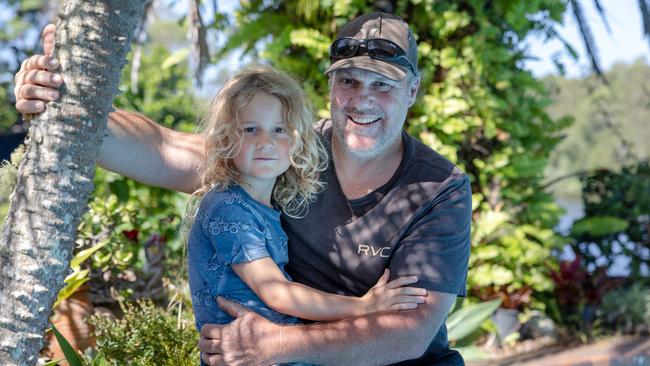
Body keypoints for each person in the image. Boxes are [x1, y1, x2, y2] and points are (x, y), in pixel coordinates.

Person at [15, 12, 472, 365]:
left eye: (384, 85)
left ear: (412, 90)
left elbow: (408, 332)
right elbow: (162, 145)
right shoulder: (284, 151)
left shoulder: (437, 189)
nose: (362, 99)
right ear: (332, 86)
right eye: (348, 80)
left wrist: (275, 344)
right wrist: (63, 105)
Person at [187, 66, 427, 363]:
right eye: (251, 129)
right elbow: (279, 295)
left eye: (279, 130)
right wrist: (364, 307)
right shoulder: (228, 209)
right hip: (244, 354)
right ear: (226, 137)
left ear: (297, 139)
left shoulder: (264, 205)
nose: (266, 142)